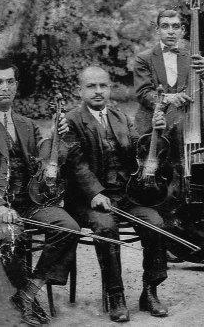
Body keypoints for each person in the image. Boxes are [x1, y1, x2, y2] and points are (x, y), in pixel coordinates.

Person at [64, 66, 169, 322]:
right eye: (91, 86)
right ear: (80, 91)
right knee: (106, 227)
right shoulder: (71, 121)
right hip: (88, 201)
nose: (98, 91)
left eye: (103, 85)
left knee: (156, 223)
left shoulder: (120, 116)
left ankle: (150, 290)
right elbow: (77, 165)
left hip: (124, 197)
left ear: (110, 88)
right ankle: (116, 295)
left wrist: (156, 131)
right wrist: (95, 193)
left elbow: (138, 151)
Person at [0, 58, 80, 326]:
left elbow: (48, 163)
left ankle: (28, 293)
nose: (5, 88)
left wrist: (58, 138)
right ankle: (17, 298)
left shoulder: (25, 123)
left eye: (10, 81)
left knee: (68, 226)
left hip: (29, 200)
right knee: (8, 233)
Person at [133, 9, 204, 134]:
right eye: (165, 26)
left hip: (187, 125)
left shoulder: (193, 56)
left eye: (175, 27)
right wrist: (169, 98)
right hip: (154, 127)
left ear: (182, 30)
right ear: (158, 30)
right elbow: (143, 94)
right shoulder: (143, 58)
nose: (170, 32)